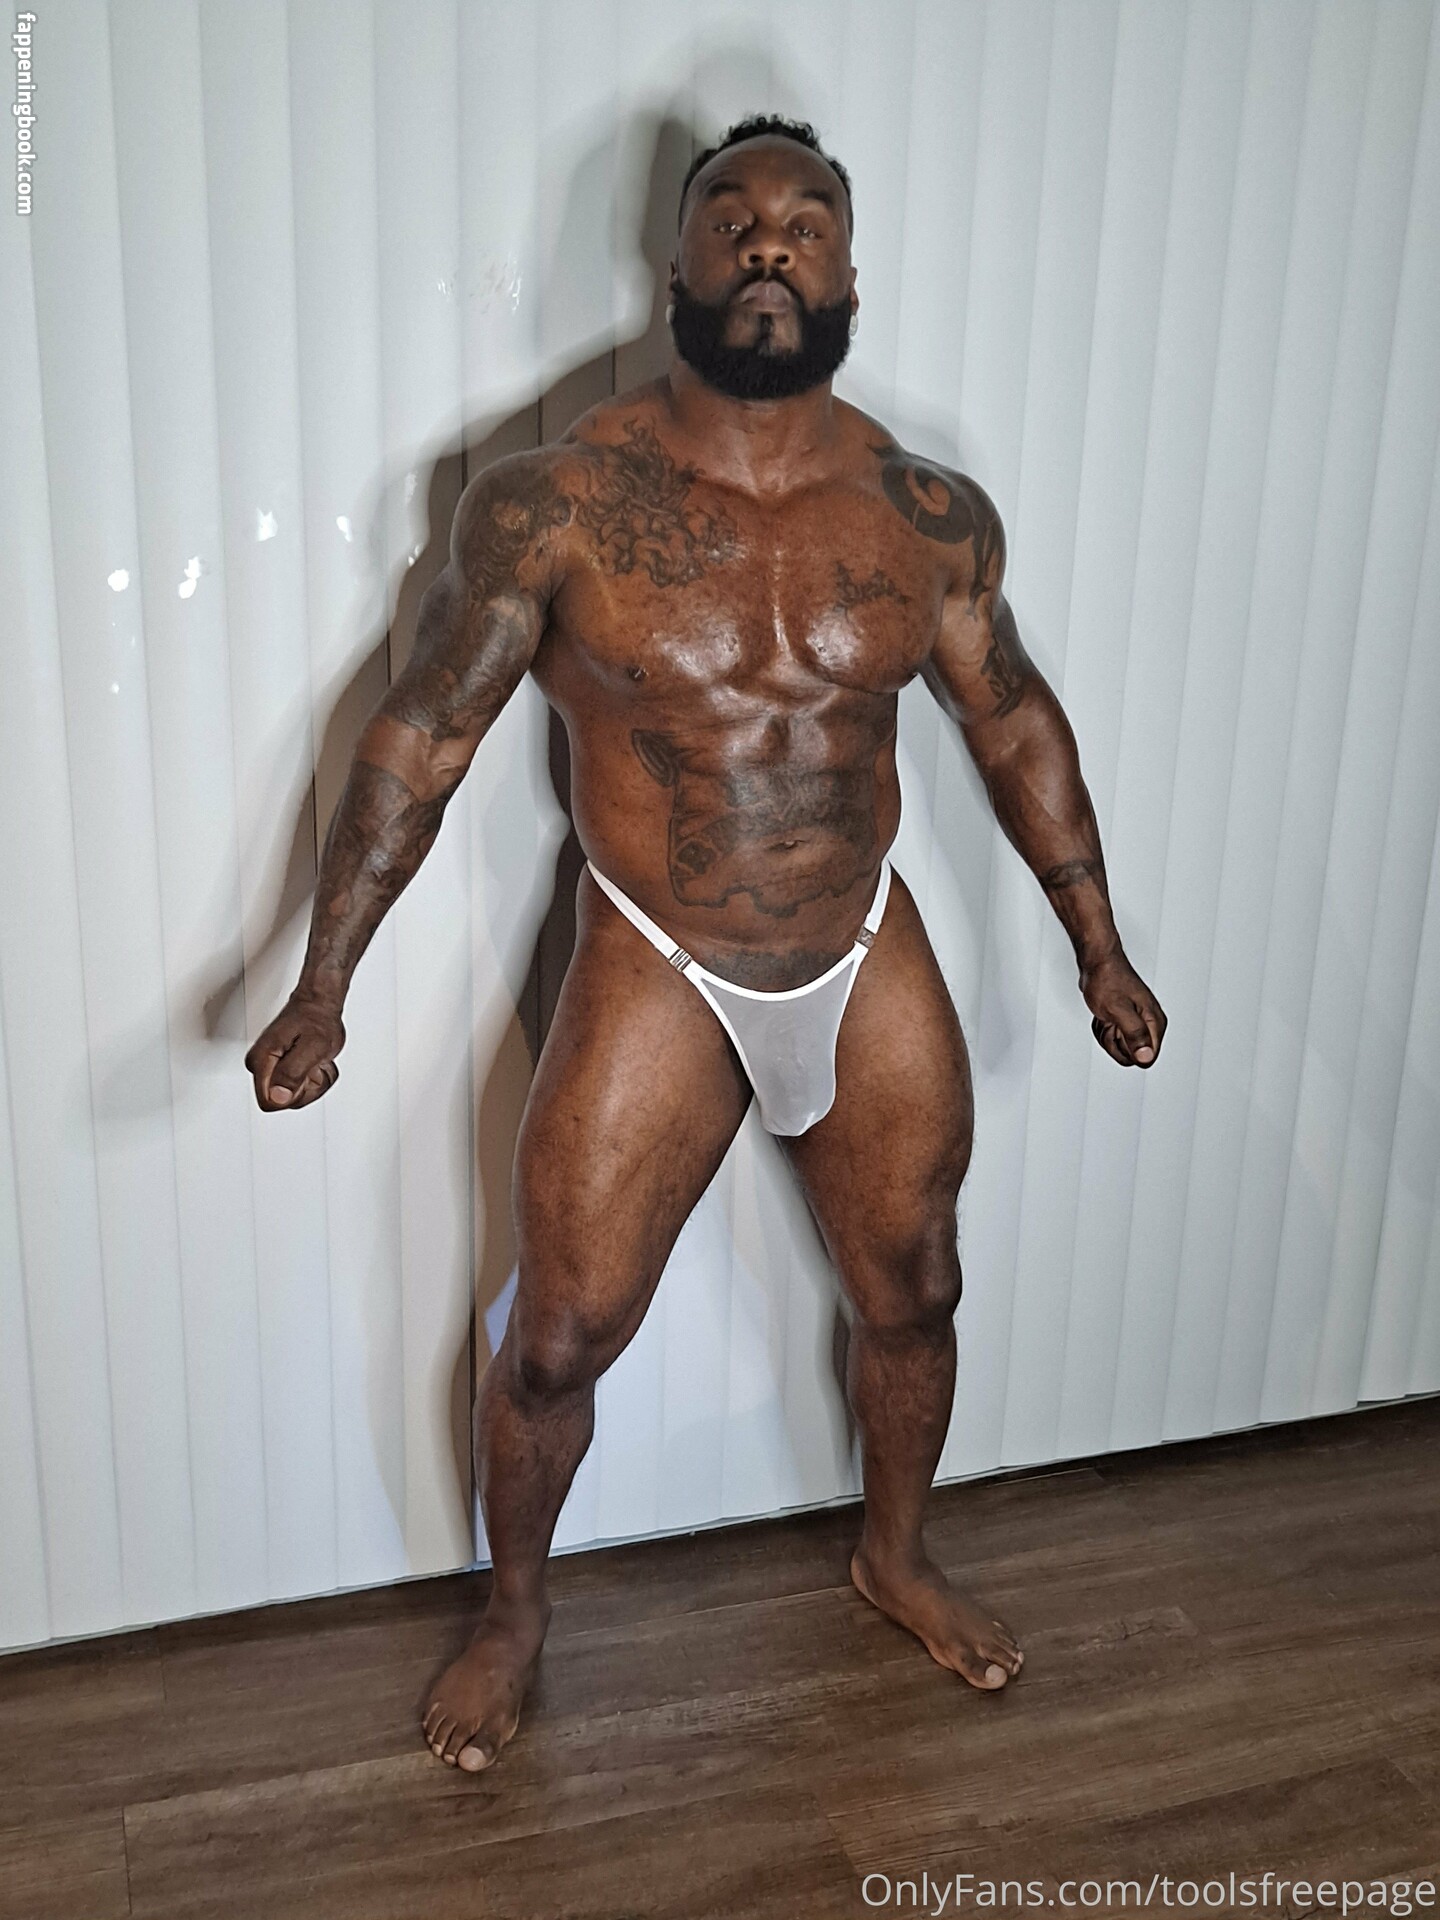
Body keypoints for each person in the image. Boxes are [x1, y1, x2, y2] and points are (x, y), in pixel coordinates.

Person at [244, 114, 1167, 1773]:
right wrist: (323, 984)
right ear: (673, 258)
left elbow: (1015, 722)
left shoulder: (927, 512)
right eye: (729, 215)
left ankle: (895, 1555)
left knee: (918, 1288)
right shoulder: (554, 502)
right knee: (557, 1339)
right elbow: (420, 738)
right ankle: (514, 1615)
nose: (767, 240)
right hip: (657, 955)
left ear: (850, 269)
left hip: (861, 939)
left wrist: (1098, 947)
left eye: (805, 219)